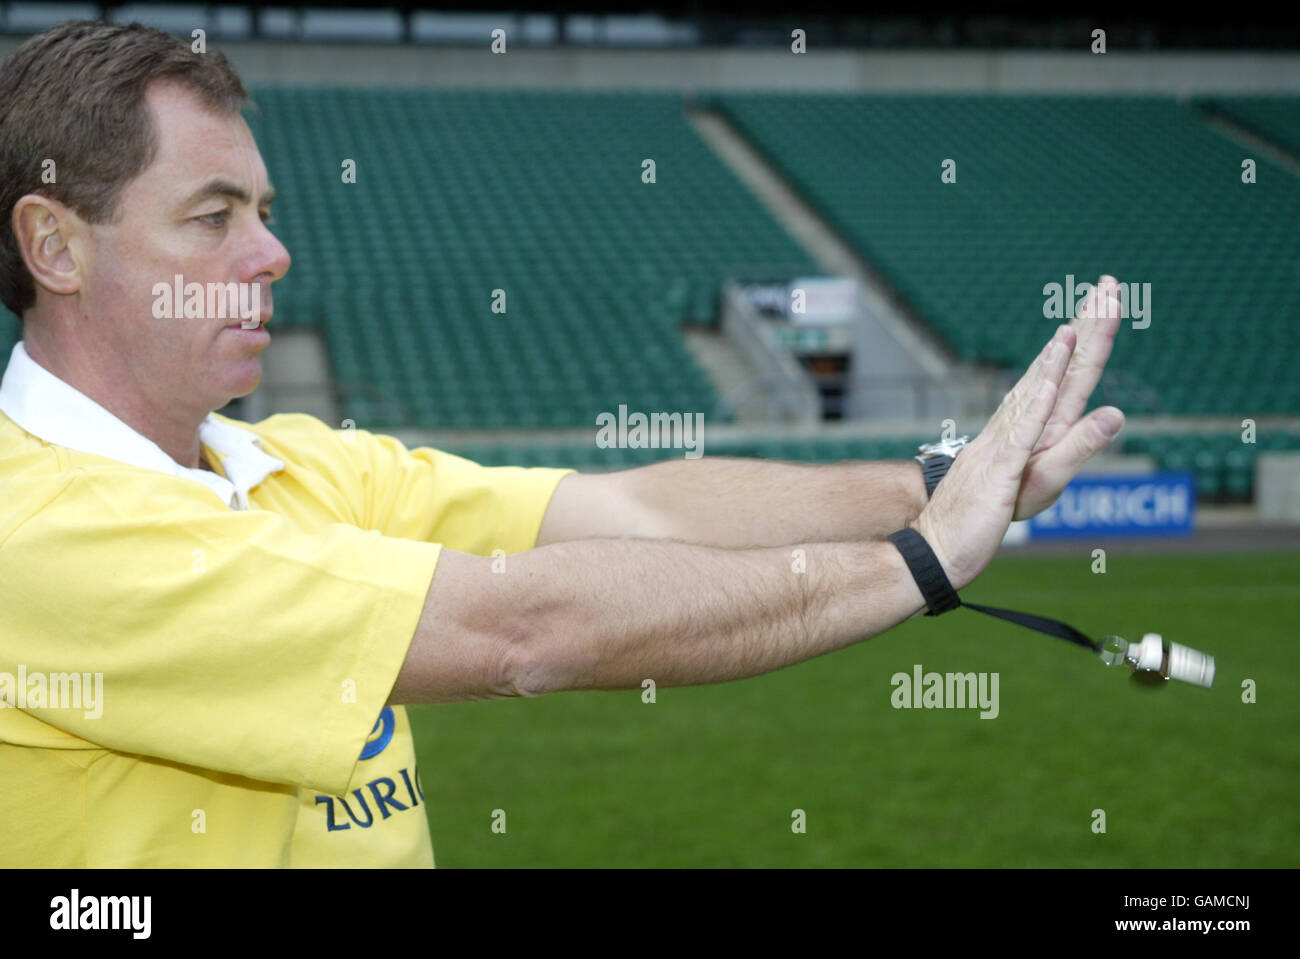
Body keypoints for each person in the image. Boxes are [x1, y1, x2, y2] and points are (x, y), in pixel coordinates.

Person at [0, 20, 1126, 867]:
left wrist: (940, 480)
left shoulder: (295, 462)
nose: (273, 252)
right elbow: (522, 628)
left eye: (264, 208)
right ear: (56, 245)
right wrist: (918, 561)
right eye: (214, 217)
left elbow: (632, 511)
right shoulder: (36, 535)